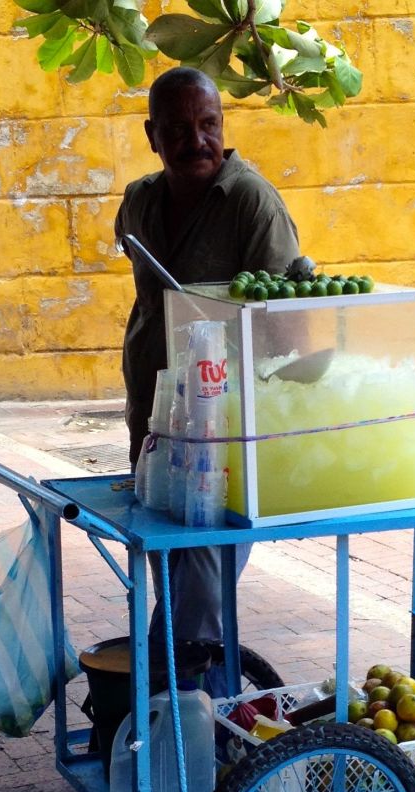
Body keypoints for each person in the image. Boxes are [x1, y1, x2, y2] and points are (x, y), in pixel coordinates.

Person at [115, 67, 300, 664]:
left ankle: (180, 707)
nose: (197, 141)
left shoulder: (251, 201)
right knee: (169, 562)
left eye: (208, 125)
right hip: (153, 415)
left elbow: (286, 325)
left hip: (225, 424)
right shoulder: (138, 202)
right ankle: (178, 700)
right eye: (178, 129)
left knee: (199, 582)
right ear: (152, 136)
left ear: (223, 126)